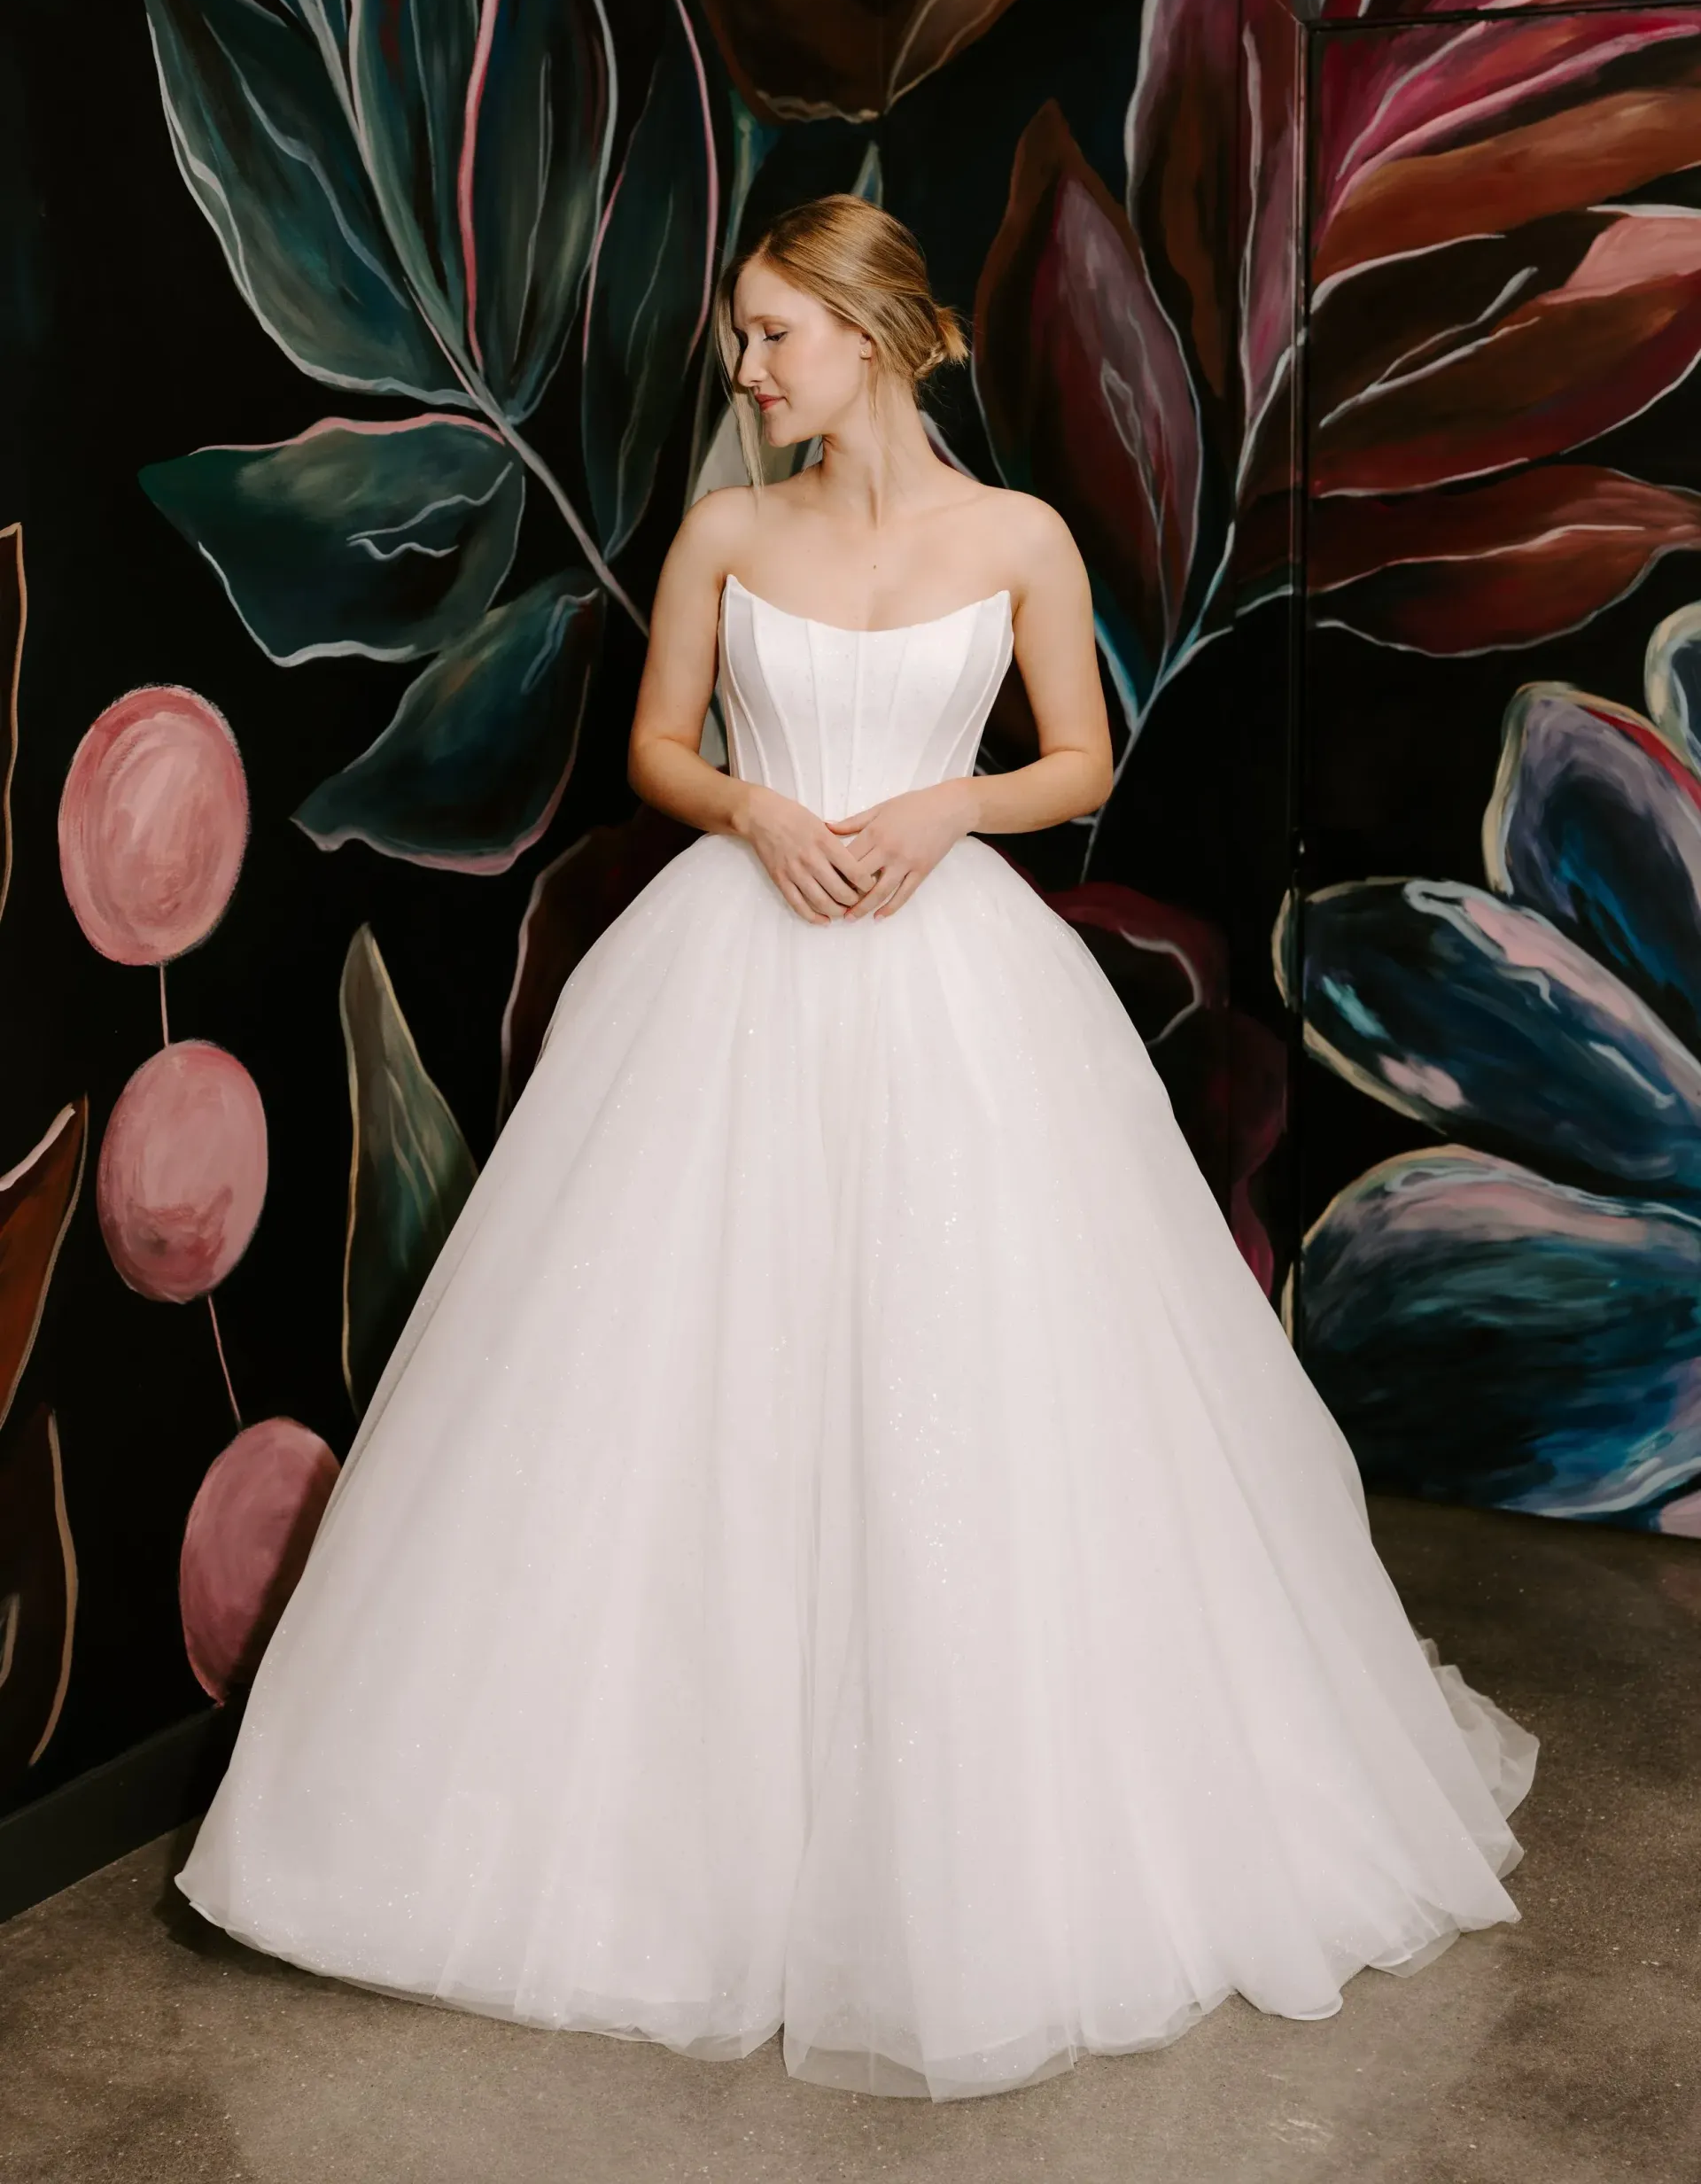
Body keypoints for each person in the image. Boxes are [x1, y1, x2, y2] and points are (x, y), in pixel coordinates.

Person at [177, 198, 1535, 2102]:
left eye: (772, 335)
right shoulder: (732, 532)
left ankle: (979, 1836)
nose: (744, 372)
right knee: (685, 1383)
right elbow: (657, 742)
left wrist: (940, 814)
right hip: (735, 966)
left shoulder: (1021, 541)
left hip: (951, 971)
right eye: (742, 336)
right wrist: (753, 809)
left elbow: (1081, 757)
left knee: (973, 1383)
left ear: (877, 333)